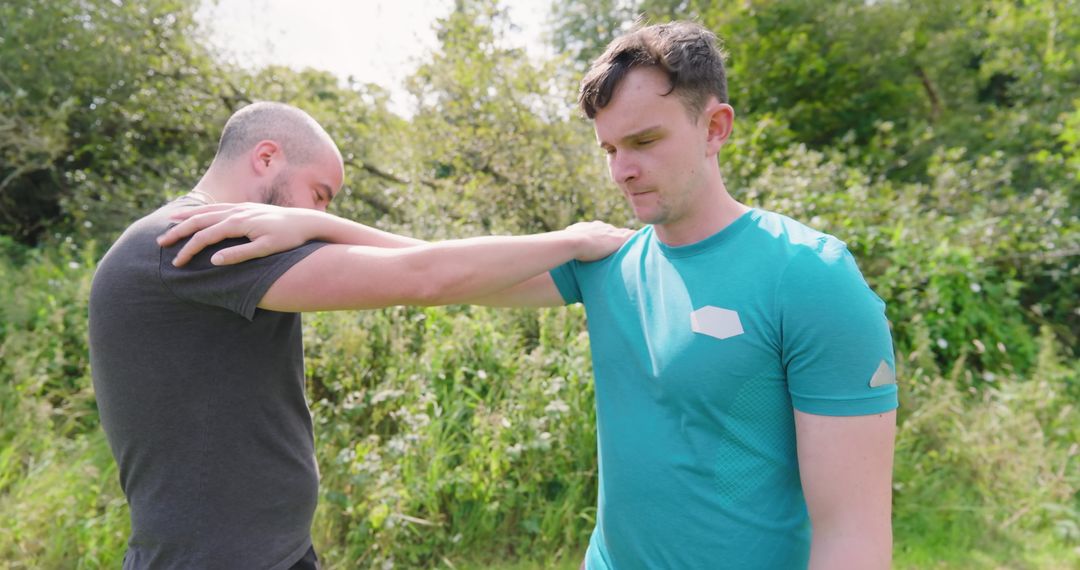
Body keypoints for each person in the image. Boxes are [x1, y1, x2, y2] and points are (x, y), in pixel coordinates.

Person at [162, 21, 898, 570]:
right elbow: (431, 271)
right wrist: (309, 223)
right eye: (609, 149)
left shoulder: (809, 277)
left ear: (716, 127)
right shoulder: (608, 261)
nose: (622, 171)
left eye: (643, 142)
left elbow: (853, 533)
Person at [88, 101, 631, 570]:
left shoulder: (212, 236)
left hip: (267, 551)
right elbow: (422, 277)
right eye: (320, 195)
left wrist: (320, 223)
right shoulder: (196, 240)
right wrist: (574, 239)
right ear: (267, 158)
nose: (321, 212)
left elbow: (421, 262)